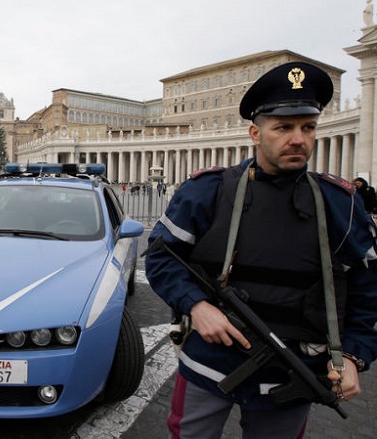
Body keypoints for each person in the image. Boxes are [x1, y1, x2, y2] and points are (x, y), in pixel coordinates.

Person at [145, 62, 377, 438]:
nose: (298, 139)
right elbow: (160, 257)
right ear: (255, 133)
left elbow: (366, 291)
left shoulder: (341, 204)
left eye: (308, 127)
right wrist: (196, 305)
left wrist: (353, 356)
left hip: (294, 371)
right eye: (284, 127)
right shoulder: (207, 192)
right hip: (210, 361)